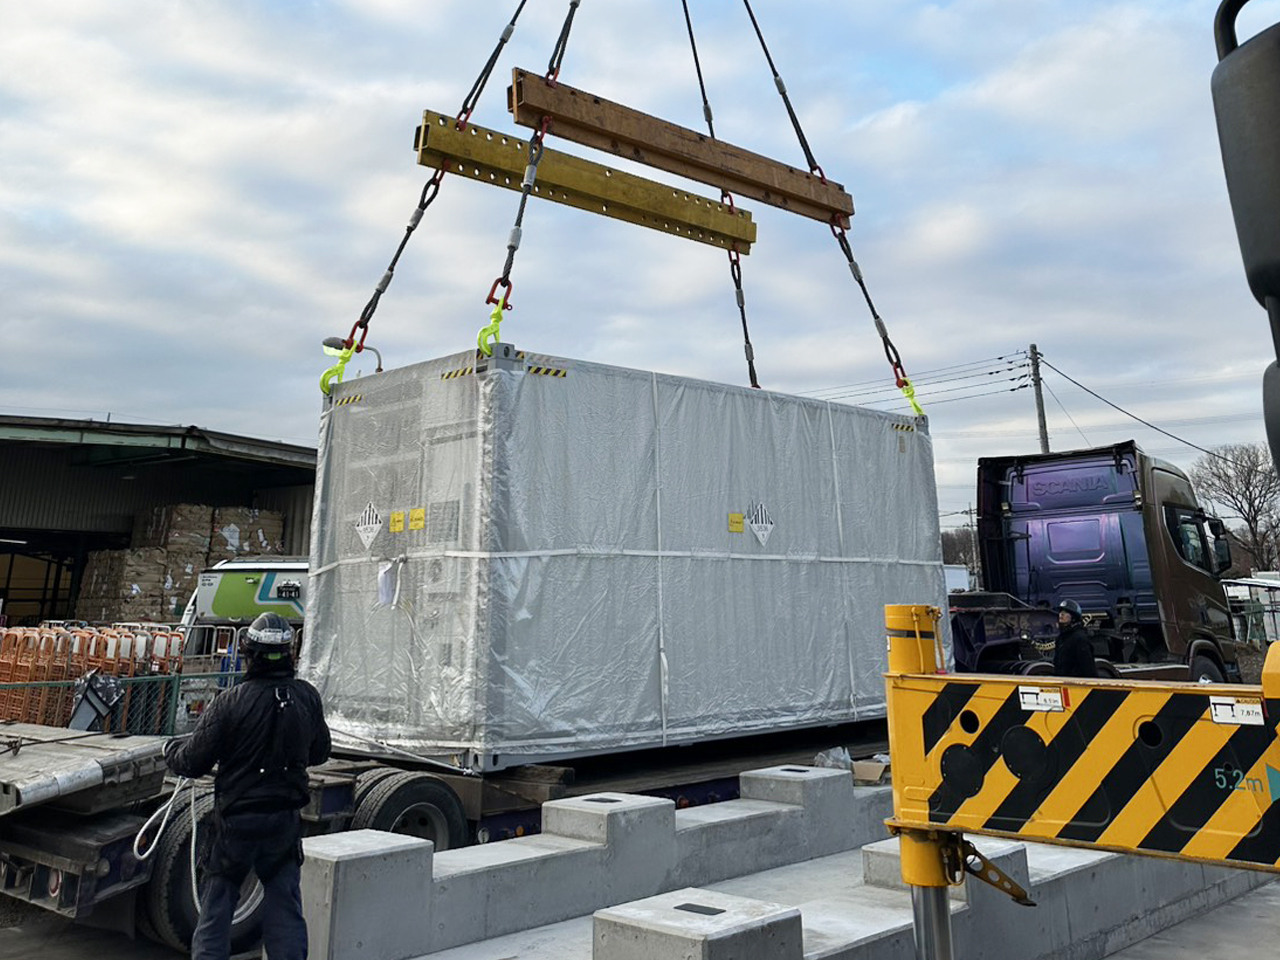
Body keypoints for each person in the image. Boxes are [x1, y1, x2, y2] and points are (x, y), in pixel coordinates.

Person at [165, 612, 331, 960]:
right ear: (290, 654)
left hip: (236, 825)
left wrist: (170, 750)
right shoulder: (307, 697)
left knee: (217, 910)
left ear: (249, 653)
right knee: (285, 911)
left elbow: (191, 762)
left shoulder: (231, 702)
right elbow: (320, 753)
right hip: (284, 822)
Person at [1053, 598, 1098, 678]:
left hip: (1076, 683)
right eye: (1061, 611)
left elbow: (1088, 668)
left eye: (1066, 612)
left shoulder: (1080, 638)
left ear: (1074, 617)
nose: (1061, 614)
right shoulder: (1061, 637)